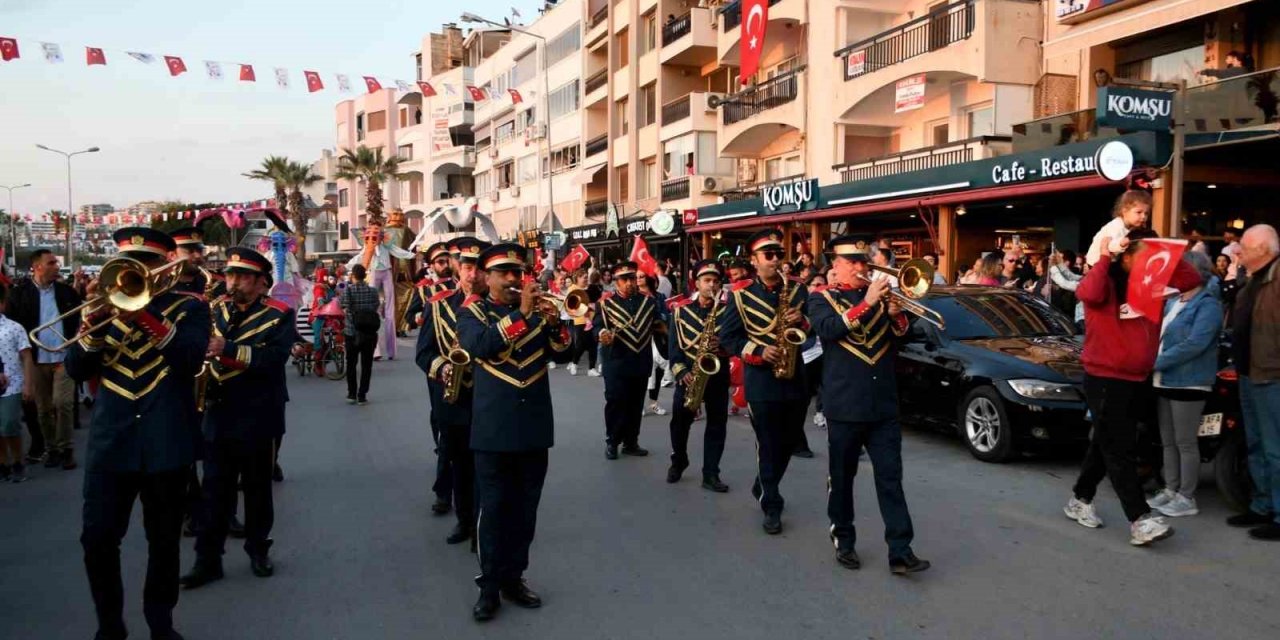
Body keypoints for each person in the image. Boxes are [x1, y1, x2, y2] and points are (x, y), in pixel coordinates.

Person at [65, 227, 211, 640]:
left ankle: (160, 621)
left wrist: (144, 316)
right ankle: (110, 625)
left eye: (147, 262)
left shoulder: (190, 308)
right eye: (131, 263)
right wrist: (92, 328)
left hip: (167, 442)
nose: (137, 270)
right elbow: (77, 370)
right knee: (96, 538)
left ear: (165, 266)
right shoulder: (97, 307)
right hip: (111, 443)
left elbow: (188, 359)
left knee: (163, 542)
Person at [457, 243, 572, 621]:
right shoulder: (472, 312)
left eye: (517, 273)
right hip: (493, 431)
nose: (512, 279)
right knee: (493, 511)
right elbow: (480, 346)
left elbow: (565, 355)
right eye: (504, 273)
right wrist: (521, 315)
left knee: (525, 511)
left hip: (534, 428)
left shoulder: (539, 313)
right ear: (486, 277)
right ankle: (489, 585)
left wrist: (557, 325)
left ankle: (514, 577)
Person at [1063, 228, 1199, 546]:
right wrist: (1107, 254)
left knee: (1106, 442)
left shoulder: (1150, 284)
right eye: (1145, 255)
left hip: (1137, 379)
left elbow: (1190, 281)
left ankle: (1080, 498)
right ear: (1126, 256)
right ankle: (1140, 519)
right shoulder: (1106, 280)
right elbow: (1088, 293)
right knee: (1119, 448)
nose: (1151, 262)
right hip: (1105, 378)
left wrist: (1170, 254)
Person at [808, 235, 929, 574]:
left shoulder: (882, 297)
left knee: (891, 478)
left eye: (865, 260)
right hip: (844, 406)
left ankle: (900, 549)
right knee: (842, 478)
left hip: (883, 407)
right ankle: (844, 540)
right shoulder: (821, 299)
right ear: (837, 265)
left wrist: (896, 314)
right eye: (854, 261)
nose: (863, 267)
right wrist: (868, 303)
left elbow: (905, 336)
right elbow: (829, 329)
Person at [181, 247, 293, 588]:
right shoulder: (212, 309)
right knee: (215, 489)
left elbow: (273, 359)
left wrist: (226, 349)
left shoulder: (279, 314)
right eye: (230, 275)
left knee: (257, 489)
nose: (234, 282)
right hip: (218, 410)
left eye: (243, 276)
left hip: (258, 413)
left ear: (262, 282)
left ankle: (258, 549)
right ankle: (207, 559)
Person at [718, 229, 809, 535]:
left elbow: (811, 329)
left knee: (789, 440)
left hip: (795, 376)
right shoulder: (741, 295)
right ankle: (772, 502)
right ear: (754, 261)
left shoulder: (798, 290)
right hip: (761, 379)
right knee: (768, 442)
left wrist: (803, 322)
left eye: (778, 255)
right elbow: (728, 338)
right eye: (768, 255)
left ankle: (763, 483)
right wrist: (758, 350)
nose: (775, 260)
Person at [416, 237, 490, 545]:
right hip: (454, 400)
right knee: (459, 464)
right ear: (458, 268)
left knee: (488, 468)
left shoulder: (499, 307)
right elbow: (423, 353)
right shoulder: (438, 305)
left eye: (479, 268)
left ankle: (485, 525)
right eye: (467, 267)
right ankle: (464, 520)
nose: (472, 275)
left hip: (490, 401)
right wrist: (443, 368)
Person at [1148, 251, 1222, 518]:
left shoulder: (1208, 305)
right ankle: (1170, 488)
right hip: (1165, 379)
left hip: (1190, 381)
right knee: (1168, 441)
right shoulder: (1174, 301)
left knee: (1185, 442)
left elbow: (1196, 344)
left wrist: (1156, 361)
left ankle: (1186, 496)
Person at [1227, 223, 1280, 540]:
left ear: (1262, 250)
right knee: (1257, 444)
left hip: (1272, 374)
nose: (1238, 252)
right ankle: (1261, 505)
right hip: (1250, 372)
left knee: (1275, 448)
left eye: (1243, 247)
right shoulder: (1253, 279)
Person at [9, 248, 82, 470]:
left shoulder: (67, 292)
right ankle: (52, 449)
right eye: (51, 263)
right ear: (37, 266)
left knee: (64, 404)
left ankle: (66, 449)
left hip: (63, 356)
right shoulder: (19, 293)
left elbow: (79, 320)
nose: (56, 267)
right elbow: (14, 327)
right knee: (43, 409)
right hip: (36, 359)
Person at [666, 260, 730, 492]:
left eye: (715, 281)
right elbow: (673, 349)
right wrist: (681, 371)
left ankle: (711, 473)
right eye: (707, 280)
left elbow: (735, 342)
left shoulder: (728, 310)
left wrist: (722, 344)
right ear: (696, 282)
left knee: (717, 425)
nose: (711, 285)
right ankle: (679, 460)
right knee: (679, 424)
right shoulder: (680, 310)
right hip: (689, 375)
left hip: (717, 374)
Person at [599, 262, 657, 459]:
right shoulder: (606, 304)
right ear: (616, 282)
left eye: (632, 278)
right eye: (624, 280)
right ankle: (612, 442)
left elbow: (658, 325)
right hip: (615, 362)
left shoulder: (649, 302)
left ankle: (631, 442)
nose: (629, 283)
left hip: (640, 361)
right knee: (615, 402)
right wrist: (602, 334)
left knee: (635, 403)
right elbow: (598, 325)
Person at [346, 221, 415, 360]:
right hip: (374, 273)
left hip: (386, 273)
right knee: (372, 310)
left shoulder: (386, 246)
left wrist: (412, 256)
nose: (372, 238)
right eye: (369, 236)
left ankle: (391, 351)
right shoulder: (367, 248)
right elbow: (359, 257)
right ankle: (375, 351)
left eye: (375, 235)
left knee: (390, 312)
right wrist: (347, 265)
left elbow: (398, 251)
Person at [0, 284, 35, 483]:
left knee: (9, 424)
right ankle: (3, 462)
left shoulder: (14, 328)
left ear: (3, 304)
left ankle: (18, 461)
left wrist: (28, 385)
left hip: (12, 384)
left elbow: (27, 357)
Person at [341, 264, 381, 405]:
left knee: (351, 364)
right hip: (369, 333)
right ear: (365, 276)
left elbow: (343, 306)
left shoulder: (348, 291)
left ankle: (352, 394)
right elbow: (376, 306)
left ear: (353, 276)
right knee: (367, 364)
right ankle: (362, 395)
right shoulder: (373, 291)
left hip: (352, 332)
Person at [1086, 190, 1151, 266]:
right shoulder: (1116, 226)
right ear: (1124, 211)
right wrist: (1121, 243)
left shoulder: (1130, 227)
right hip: (1096, 263)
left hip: (1108, 262)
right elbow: (1109, 245)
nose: (1143, 217)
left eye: (1146, 213)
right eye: (1139, 212)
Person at [640, 274, 671, 416]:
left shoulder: (659, 296)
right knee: (642, 373)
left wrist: (659, 318)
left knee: (657, 372)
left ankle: (653, 403)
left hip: (657, 337)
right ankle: (639, 404)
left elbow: (666, 314)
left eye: (641, 276)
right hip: (641, 339)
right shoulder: (635, 296)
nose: (638, 279)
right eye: (637, 277)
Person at [565, 270, 596, 376]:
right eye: (583, 277)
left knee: (593, 344)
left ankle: (591, 368)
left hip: (592, 319)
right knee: (581, 344)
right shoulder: (573, 288)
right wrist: (587, 306)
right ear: (577, 278)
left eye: (587, 277)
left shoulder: (589, 288)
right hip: (580, 320)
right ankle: (574, 362)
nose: (586, 279)